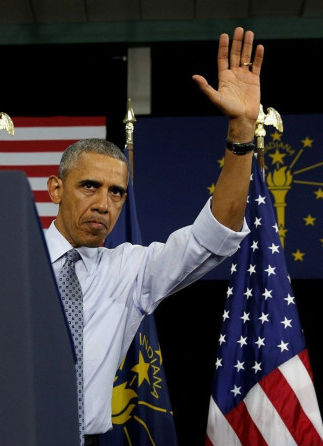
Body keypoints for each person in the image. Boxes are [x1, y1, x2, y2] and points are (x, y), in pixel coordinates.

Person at [44, 27, 263, 444]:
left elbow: (213, 235)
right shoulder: (13, 262)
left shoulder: (130, 270)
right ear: (57, 189)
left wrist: (241, 130)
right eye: (89, 186)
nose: (104, 204)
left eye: (116, 193)